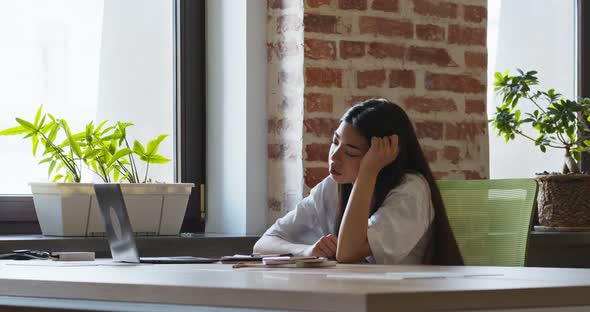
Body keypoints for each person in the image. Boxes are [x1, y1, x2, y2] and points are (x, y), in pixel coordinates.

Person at [253, 98, 462, 264]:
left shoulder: (411, 190)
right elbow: (263, 244)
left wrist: (368, 172)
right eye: (335, 142)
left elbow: (348, 252)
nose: (334, 157)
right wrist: (306, 250)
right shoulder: (333, 186)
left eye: (351, 152)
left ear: (382, 156)